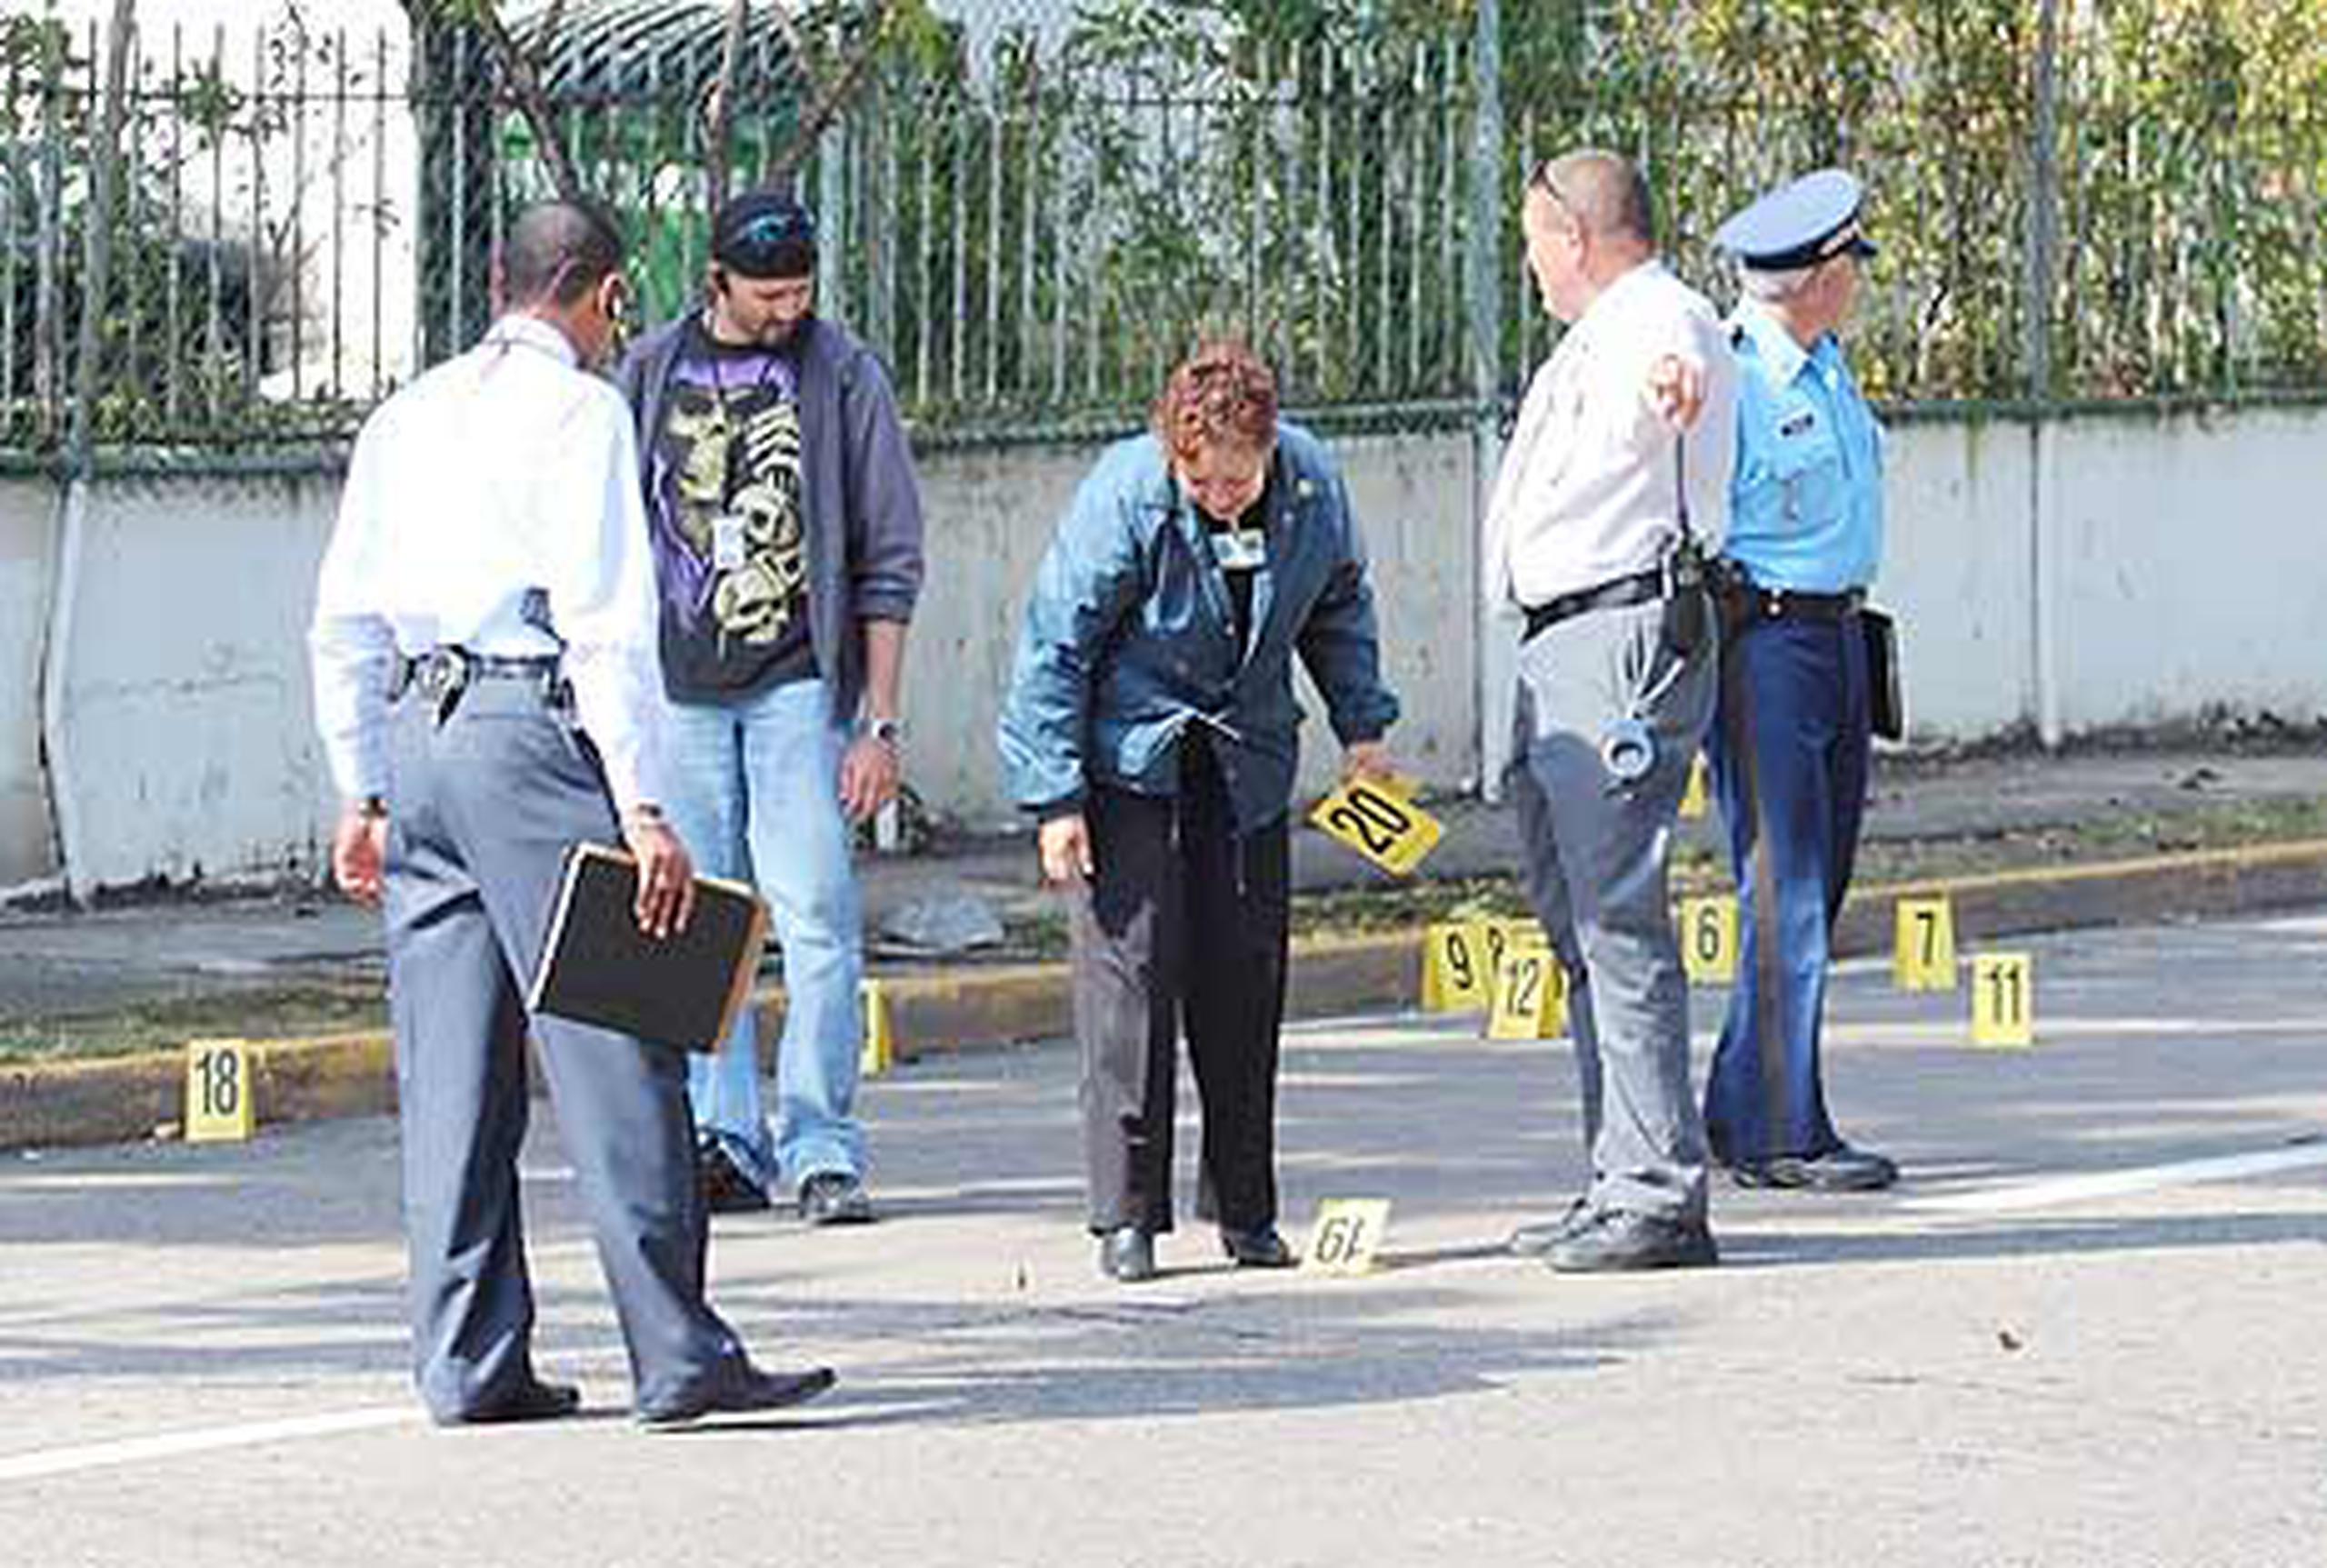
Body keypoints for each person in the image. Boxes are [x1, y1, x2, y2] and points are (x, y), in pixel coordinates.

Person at [308, 199, 834, 1427]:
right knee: (621, 1038)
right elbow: (605, 622)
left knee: (451, 1065)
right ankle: (678, 1350)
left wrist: (358, 789)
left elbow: (340, 615)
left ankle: (468, 1359)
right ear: (601, 297)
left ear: (499, 281)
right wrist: (643, 805)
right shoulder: (583, 413)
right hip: (521, 729)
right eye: (616, 311)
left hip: (418, 732)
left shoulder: (408, 412)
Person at [998, 341, 1402, 1283]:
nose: (1222, 495)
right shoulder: (1128, 496)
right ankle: (1127, 1216)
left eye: (1237, 478)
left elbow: (1337, 607)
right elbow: (1055, 646)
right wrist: (1055, 796)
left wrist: (1364, 728)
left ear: (1269, 449)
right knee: (1129, 985)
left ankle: (1247, 1210)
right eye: (1203, 480)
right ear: (1174, 456)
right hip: (1130, 761)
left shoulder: (1309, 488)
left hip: (1247, 759)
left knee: (1243, 981)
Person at [616, 189, 925, 1224]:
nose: (787, 308)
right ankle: (722, 1136)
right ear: (716, 284)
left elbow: (889, 560)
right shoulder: (650, 374)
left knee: (819, 921)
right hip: (679, 692)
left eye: (800, 289)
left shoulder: (842, 377)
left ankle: (822, 1145)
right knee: (700, 924)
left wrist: (878, 725)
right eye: (767, 293)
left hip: (799, 689)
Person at [1488, 150, 1739, 1273]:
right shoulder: (1588, 336)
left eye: (1535, 240)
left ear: (1576, 237)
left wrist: (1674, 388)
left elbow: (1675, 365)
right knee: (1576, 919)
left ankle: (1657, 1193)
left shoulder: (1657, 314)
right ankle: (1616, 1171)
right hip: (1560, 647)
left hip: (1621, 635)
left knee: (1616, 919)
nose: (1529, 263)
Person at [1698, 170, 1898, 1191]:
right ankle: (1784, 1132)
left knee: (1821, 878)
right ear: (1815, 276)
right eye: (1847, 266)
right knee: (1787, 889)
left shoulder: (1826, 368)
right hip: (1764, 642)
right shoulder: (1731, 377)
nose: (1856, 283)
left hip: (1838, 636)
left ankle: (1742, 1107)